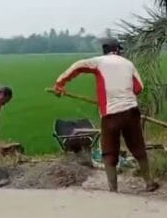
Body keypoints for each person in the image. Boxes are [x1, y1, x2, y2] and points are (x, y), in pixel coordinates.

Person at [53, 38, 159, 193]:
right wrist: (124, 93)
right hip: (131, 112)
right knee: (137, 147)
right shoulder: (128, 63)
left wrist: (60, 83)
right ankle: (149, 182)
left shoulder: (99, 62)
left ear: (105, 50)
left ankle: (113, 189)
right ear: (118, 50)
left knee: (109, 151)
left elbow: (78, 66)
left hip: (110, 114)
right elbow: (139, 88)